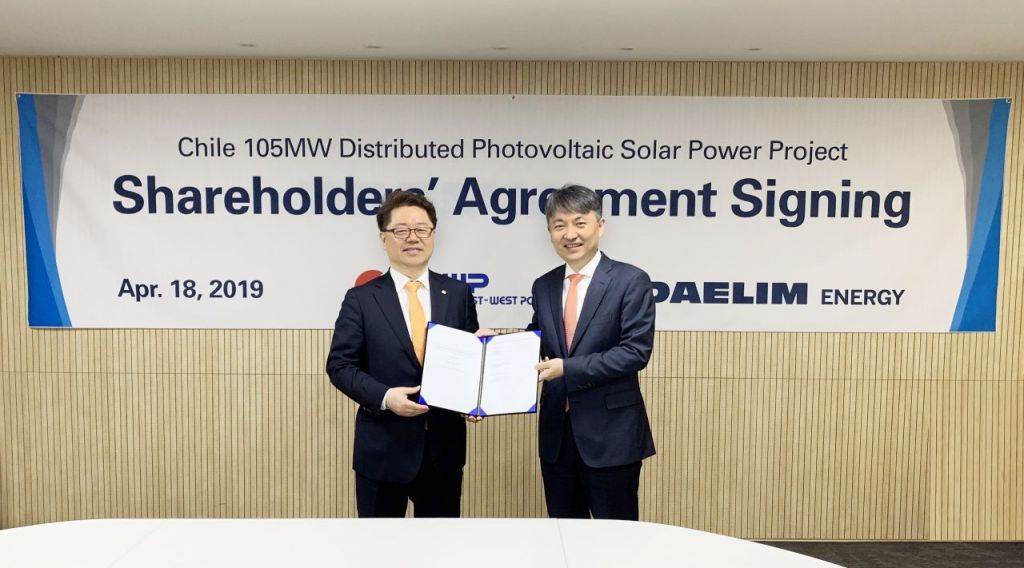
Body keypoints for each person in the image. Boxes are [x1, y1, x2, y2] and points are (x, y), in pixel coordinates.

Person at [326, 190, 479, 517]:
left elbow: (467, 362)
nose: (413, 237)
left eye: (421, 229)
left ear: (433, 235)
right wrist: (385, 397)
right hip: (382, 449)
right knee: (379, 545)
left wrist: (476, 395)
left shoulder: (458, 294)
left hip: (443, 451)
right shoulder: (361, 299)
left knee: (441, 543)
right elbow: (340, 365)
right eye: (401, 230)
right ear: (383, 239)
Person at [530, 183, 656, 520]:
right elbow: (538, 341)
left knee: (614, 538)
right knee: (564, 534)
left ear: (600, 226)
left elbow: (635, 352)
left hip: (611, 436)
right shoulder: (544, 285)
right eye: (559, 225)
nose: (569, 234)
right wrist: (493, 348)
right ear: (550, 232)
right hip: (557, 436)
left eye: (579, 223)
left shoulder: (630, 281)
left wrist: (567, 369)